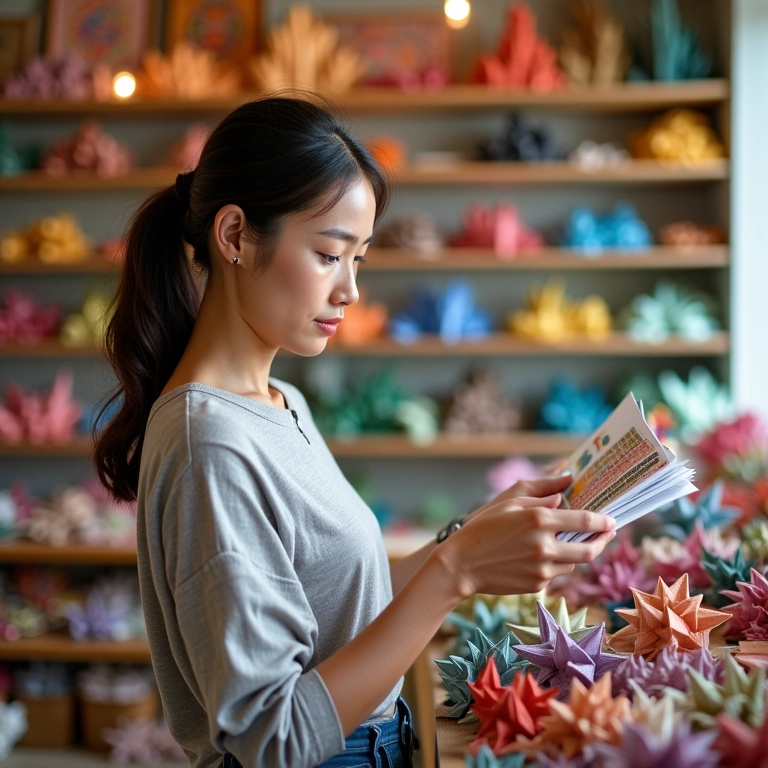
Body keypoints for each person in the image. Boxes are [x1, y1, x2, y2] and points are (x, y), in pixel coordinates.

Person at [93, 97, 616, 768]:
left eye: (359, 260)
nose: (350, 292)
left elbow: (337, 607)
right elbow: (274, 740)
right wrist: (454, 575)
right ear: (233, 236)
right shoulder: (212, 445)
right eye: (327, 254)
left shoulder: (279, 401)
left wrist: (471, 535)